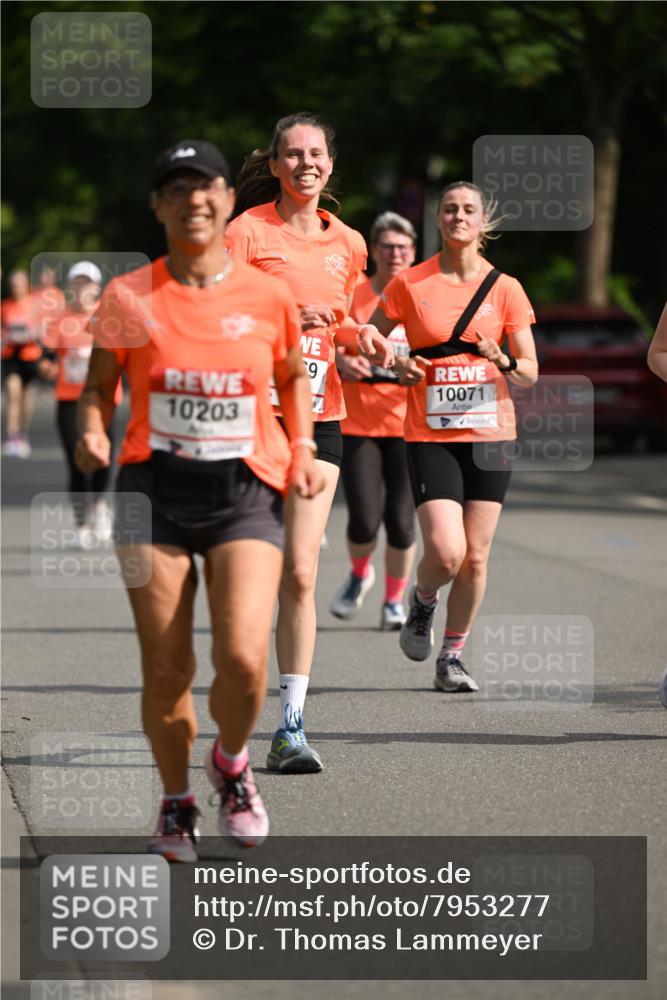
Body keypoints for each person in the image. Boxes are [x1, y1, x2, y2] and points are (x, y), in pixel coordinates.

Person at [75, 139, 323, 859]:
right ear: (158, 206)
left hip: (245, 490)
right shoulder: (129, 297)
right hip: (153, 491)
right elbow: (97, 392)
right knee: (167, 667)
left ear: (224, 197)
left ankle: (232, 763)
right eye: (175, 189)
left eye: (205, 186)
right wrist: (92, 432)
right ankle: (177, 799)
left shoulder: (266, 295)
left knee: (244, 660)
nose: (193, 200)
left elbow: (291, 381)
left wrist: (303, 448)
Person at [226, 112, 392, 773]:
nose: (304, 164)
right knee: (250, 580)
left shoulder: (348, 242)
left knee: (299, 571)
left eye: (315, 154)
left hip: (319, 419)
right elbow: (218, 317)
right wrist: (286, 318)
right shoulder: (244, 233)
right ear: (273, 166)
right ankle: (232, 708)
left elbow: (344, 320)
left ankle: (290, 727)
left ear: (329, 164)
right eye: (291, 155)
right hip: (250, 418)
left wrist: (363, 337)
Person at [368, 181, 538, 692]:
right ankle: (422, 600)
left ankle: (452, 656)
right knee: (445, 552)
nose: (458, 216)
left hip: (490, 433)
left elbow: (528, 370)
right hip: (430, 432)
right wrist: (398, 365)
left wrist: (502, 358)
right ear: (438, 220)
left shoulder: (505, 287)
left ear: (482, 222)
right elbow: (373, 339)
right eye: (449, 209)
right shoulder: (410, 283)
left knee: (476, 556)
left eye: (468, 210)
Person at [331, 212, 417, 629]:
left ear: (414, 253)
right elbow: (319, 340)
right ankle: (360, 574)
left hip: (410, 424)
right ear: (375, 252)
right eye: (387, 246)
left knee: (401, 522)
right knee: (364, 519)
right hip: (357, 423)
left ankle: (394, 600)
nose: (395, 254)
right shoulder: (355, 295)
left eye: (403, 247)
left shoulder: (423, 296)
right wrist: (341, 361)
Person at [40, 261, 120, 546]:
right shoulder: (60, 320)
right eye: (77, 282)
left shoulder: (110, 317)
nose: (82, 288)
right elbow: (46, 356)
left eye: (87, 282)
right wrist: (46, 367)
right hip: (69, 400)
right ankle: (81, 524)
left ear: (97, 287)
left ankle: (98, 506)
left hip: (104, 401)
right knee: (76, 463)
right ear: (70, 287)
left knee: (102, 457)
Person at [1, 269, 42, 457]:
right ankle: (11, 437)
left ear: (26, 285)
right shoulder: (5, 306)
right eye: (14, 285)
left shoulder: (35, 305)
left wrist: (30, 334)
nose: (16, 288)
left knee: (26, 398)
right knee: (12, 392)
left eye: (19, 284)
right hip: (11, 356)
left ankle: (23, 435)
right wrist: (8, 337)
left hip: (30, 355)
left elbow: (43, 329)